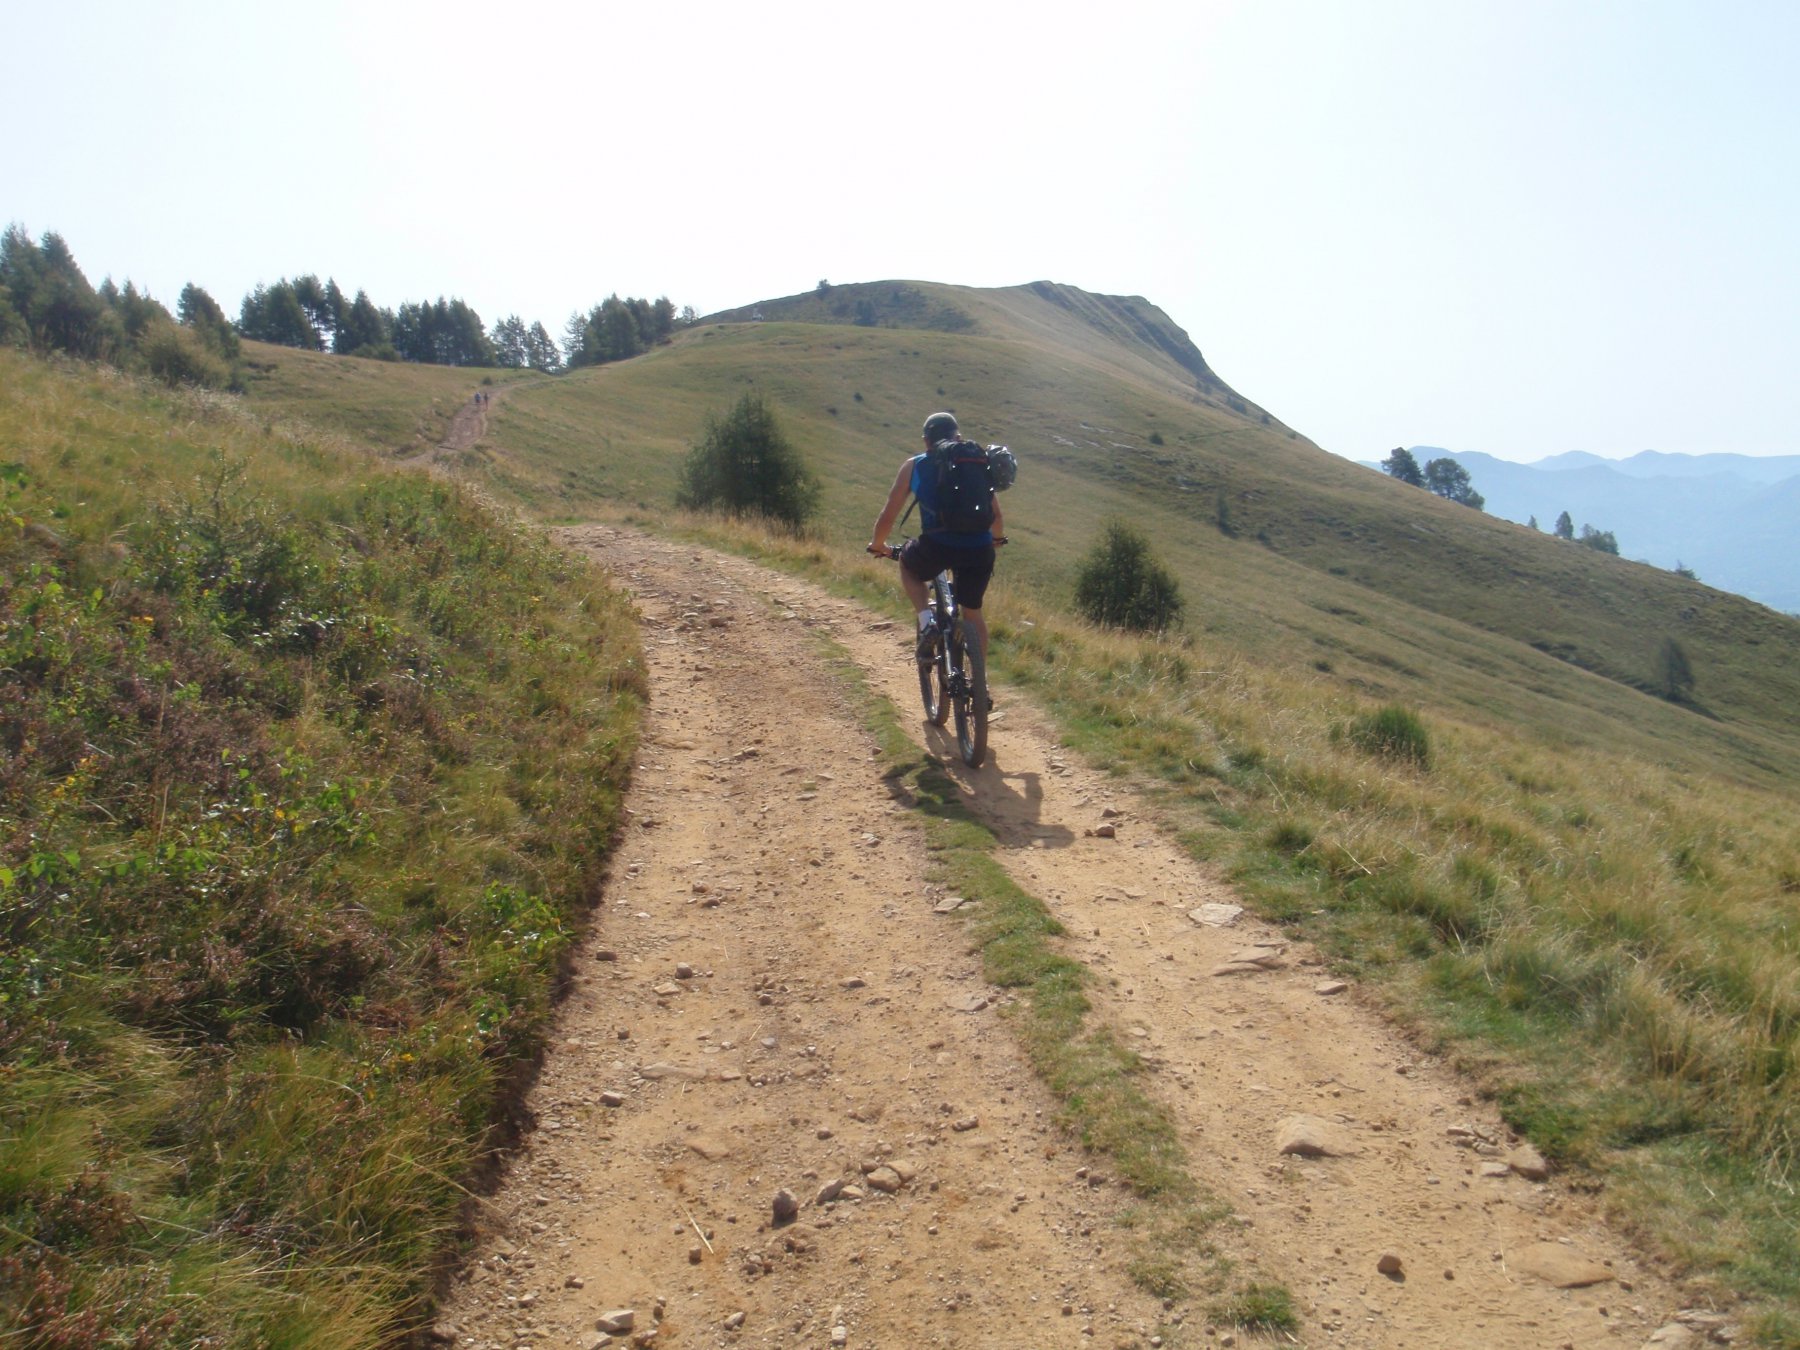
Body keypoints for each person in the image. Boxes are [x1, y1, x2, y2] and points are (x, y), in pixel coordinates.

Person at [867, 411, 1005, 669]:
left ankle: (926, 620)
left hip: (937, 547)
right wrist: (996, 539)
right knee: (973, 612)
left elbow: (888, 515)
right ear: (958, 437)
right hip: (979, 549)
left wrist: (878, 545)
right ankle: (979, 684)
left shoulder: (915, 465)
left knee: (908, 564)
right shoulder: (974, 463)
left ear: (925, 441)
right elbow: (996, 516)